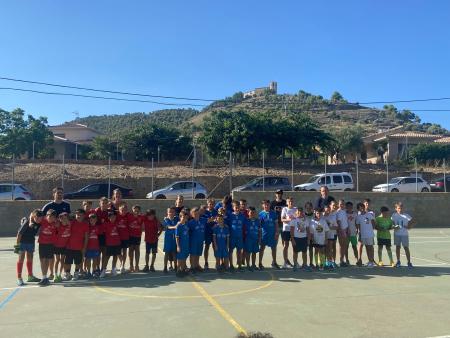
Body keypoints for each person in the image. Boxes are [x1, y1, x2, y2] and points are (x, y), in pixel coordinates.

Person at [15, 209, 43, 286]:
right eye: (37, 218)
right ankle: (19, 278)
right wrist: (17, 246)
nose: (38, 220)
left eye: (40, 219)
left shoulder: (40, 222)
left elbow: (32, 213)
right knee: (21, 259)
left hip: (31, 242)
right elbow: (19, 234)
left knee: (30, 259)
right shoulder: (27, 222)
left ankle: (30, 276)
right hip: (22, 242)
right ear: (34, 216)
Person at [64, 209, 89, 281]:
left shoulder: (85, 224)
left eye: (80, 214)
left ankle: (76, 273)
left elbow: (86, 237)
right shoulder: (72, 222)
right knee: (68, 262)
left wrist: (84, 247)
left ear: (84, 216)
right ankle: (68, 274)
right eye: (77, 214)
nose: (78, 216)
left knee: (78, 262)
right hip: (69, 246)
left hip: (79, 247)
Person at [38, 209, 58, 286]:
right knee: (42, 260)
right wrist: (29, 221)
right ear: (46, 216)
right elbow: (33, 214)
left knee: (47, 260)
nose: (50, 217)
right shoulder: (42, 220)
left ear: (55, 218)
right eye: (48, 215)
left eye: (52, 216)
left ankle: (47, 277)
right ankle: (44, 277)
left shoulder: (56, 223)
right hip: (42, 244)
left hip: (50, 244)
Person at [391, 202, 415, 268]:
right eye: (399, 208)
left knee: (406, 248)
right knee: (397, 247)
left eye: (401, 208)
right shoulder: (394, 215)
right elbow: (392, 224)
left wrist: (409, 227)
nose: (400, 209)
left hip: (404, 234)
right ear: (396, 209)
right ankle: (398, 261)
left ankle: (409, 262)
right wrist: (394, 227)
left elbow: (413, 221)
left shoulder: (406, 215)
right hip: (397, 234)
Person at [258, 200, 280, 270]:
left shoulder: (273, 213)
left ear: (270, 205)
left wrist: (277, 232)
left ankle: (274, 262)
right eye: (265, 205)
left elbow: (276, 224)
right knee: (262, 248)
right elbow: (259, 225)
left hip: (272, 234)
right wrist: (259, 235)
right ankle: (260, 263)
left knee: (273, 248)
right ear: (262, 205)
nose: (266, 206)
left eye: (267, 204)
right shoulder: (261, 214)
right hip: (264, 235)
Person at [100, 211, 121, 278]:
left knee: (115, 256)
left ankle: (113, 269)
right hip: (109, 244)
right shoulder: (105, 224)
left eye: (114, 216)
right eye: (111, 217)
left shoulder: (117, 224)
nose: (113, 218)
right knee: (107, 257)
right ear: (109, 217)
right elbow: (102, 232)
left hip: (117, 243)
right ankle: (103, 270)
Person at [355, 203, 376, 268]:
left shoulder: (369, 214)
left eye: (362, 207)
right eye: (360, 208)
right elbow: (358, 226)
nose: (362, 209)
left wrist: (370, 231)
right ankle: (369, 261)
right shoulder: (358, 217)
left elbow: (373, 223)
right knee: (366, 248)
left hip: (369, 234)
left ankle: (371, 262)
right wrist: (359, 233)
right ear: (358, 209)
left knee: (369, 247)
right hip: (363, 235)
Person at [53, 212, 71, 283]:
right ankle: (55, 274)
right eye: (62, 218)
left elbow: (70, 224)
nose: (64, 220)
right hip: (57, 246)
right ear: (60, 219)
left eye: (65, 218)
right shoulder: (58, 225)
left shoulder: (69, 225)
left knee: (62, 261)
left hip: (64, 246)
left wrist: (67, 222)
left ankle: (60, 274)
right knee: (57, 260)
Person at [229, 200, 246, 271]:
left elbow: (245, 225)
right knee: (231, 251)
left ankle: (239, 265)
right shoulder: (230, 215)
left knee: (239, 251)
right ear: (233, 208)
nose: (237, 208)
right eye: (236, 207)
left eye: (238, 207)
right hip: (232, 237)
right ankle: (231, 265)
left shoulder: (242, 216)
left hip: (240, 237)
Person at [280, 197, 297, 269]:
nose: (291, 203)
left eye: (292, 201)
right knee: (286, 245)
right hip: (286, 230)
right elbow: (282, 219)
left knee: (294, 246)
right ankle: (285, 262)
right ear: (287, 203)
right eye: (289, 201)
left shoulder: (296, 209)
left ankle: (295, 263)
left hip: (294, 230)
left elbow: (298, 218)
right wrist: (289, 219)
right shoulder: (284, 209)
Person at [188, 207, 206, 272]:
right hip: (193, 241)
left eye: (198, 213)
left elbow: (213, 220)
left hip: (201, 240)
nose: (196, 214)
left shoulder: (203, 220)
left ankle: (196, 265)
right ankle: (192, 267)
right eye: (194, 213)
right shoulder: (190, 222)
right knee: (193, 254)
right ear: (192, 214)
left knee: (198, 254)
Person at [202, 198, 217, 271]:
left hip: (214, 232)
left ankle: (217, 263)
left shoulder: (216, 212)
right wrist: (210, 220)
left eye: (212, 204)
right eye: (209, 204)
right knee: (207, 247)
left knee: (215, 247)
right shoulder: (205, 212)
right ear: (207, 204)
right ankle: (206, 262)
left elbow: (218, 221)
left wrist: (215, 224)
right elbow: (205, 221)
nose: (211, 205)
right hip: (207, 232)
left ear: (214, 205)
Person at [244, 207, 261, 271]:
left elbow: (259, 231)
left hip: (255, 239)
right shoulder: (246, 221)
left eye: (254, 212)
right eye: (251, 212)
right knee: (248, 252)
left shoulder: (257, 221)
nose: (252, 214)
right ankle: (248, 265)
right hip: (248, 239)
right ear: (248, 213)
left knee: (254, 252)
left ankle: (253, 265)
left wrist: (259, 239)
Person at [128, 205, 143, 272]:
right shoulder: (129, 216)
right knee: (131, 250)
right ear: (132, 210)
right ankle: (131, 265)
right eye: (135, 210)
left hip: (137, 236)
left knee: (137, 250)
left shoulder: (141, 217)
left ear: (139, 211)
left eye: (137, 210)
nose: (136, 211)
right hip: (130, 236)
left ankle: (137, 265)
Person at [162, 207, 178, 273]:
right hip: (168, 239)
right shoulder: (166, 220)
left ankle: (175, 267)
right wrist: (175, 226)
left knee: (174, 253)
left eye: (172, 212)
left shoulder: (177, 219)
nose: (171, 213)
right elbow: (168, 227)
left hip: (174, 239)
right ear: (167, 212)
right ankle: (165, 267)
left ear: (174, 213)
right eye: (169, 212)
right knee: (167, 253)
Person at [175, 210, 190, 277]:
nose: (184, 219)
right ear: (180, 217)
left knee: (184, 257)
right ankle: (178, 270)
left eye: (186, 217)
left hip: (186, 245)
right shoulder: (179, 226)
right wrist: (178, 246)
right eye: (183, 217)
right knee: (180, 258)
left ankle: (183, 269)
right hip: (181, 245)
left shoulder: (186, 225)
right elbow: (177, 237)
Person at [116, 203, 130, 273]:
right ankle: (122, 262)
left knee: (124, 252)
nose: (123, 211)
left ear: (127, 210)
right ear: (119, 210)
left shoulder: (128, 216)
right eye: (122, 210)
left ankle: (122, 266)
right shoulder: (116, 216)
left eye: (125, 210)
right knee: (118, 252)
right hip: (117, 237)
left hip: (125, 237)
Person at [85, 213, 101, 278]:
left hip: (96, 246)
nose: (92, 221)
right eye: (91, 220)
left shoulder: (98, 227)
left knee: (95, 259)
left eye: (94, 219)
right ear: (89, 220)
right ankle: (88, 271)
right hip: (88, 246)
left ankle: (94, 271)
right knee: (88, 259)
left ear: (96, 220)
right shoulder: (87, 227)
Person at [95, 197, 110, 265]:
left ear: (107, 204)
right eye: (102, 203)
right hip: (97, 235)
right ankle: (97, 268)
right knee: (98, 253)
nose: (104, 205)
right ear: (100, 203)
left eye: (105, 203)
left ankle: (103, 268)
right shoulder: (96, 211)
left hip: (105, 235)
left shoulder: (109, 212)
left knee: (105, 252)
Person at [324, 202, 338, 268]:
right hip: (323, 236)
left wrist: (329, 227)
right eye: (326, 210)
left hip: (330, 235)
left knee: (329, 249)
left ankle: (330, 262)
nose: (327, 211)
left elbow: (336, 227)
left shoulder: (332, 217)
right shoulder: (322, 217)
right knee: (324, 249)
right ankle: (324, 262)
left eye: (328, 210)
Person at [336, 200, 350, 267]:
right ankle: (341, 261)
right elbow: (338, 222)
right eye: (341, 204)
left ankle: (343, 260)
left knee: (344, 246)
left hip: (346, 230)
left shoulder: (344, 211)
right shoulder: (338, 212)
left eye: (343, 204)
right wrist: (341, 231)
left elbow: (345, 221)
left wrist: (348, 229)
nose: (342, 205)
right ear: (338, 204)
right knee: (341, 246)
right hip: (341, 231)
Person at [304, 202, 315, 267]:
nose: (308, 209)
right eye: (307, 207)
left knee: (311, 249)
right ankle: (304, 263)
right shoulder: (303, 215)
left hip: (312, 235)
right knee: (304, 250)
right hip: (304, 235)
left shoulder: (314, 215)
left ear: (311, 208)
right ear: (305, 208)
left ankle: (311, 263)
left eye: (310, 207)